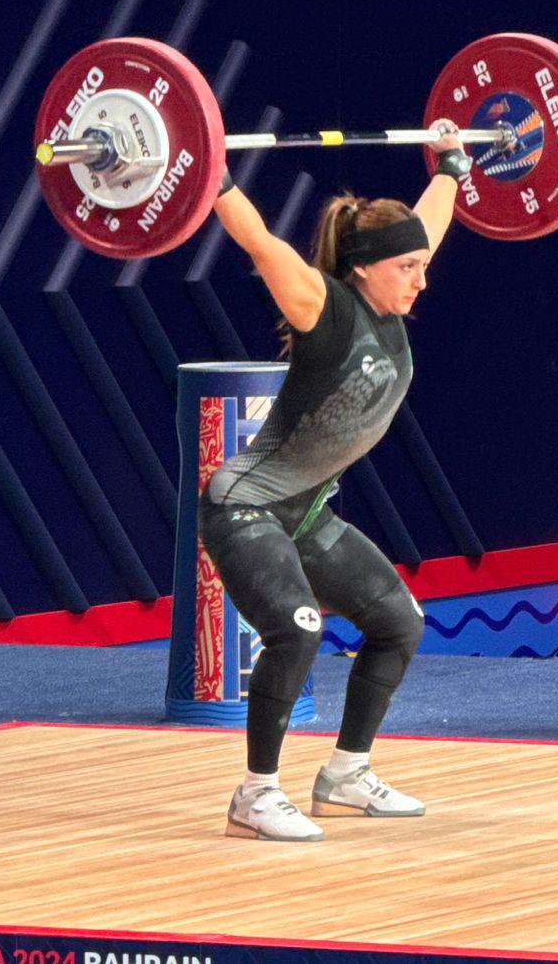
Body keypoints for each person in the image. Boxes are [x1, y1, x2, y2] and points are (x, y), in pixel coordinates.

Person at [199, 119, 468, 841]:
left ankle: (345, 772)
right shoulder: (327, 307)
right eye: (409, 267)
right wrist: (213, 174)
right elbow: (261, 243)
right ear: (369, 265)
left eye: (421, 264)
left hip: (306, 512)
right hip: (245, 506)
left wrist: (451, 161)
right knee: (296, 628)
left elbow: (431, 218)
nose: (423, 277)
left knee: (399, 623)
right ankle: (255, 793)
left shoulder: (391, 300)